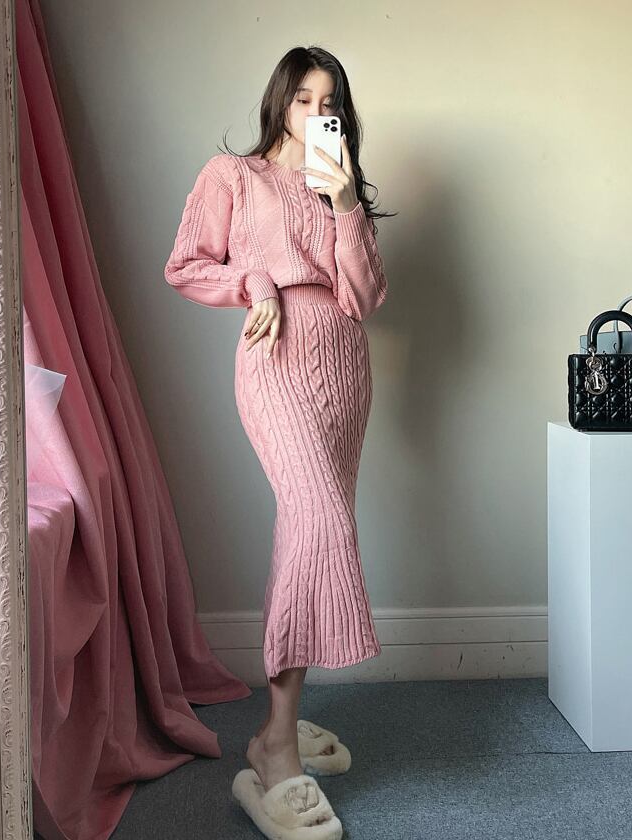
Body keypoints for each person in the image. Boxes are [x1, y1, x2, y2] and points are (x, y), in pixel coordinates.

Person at [163, 45, 392, 837]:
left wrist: (346, 204)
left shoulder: (339, 186)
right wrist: (253, 281)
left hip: (345, 370)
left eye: (329, 103)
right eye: (302, 99)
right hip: (275, 362)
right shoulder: (234, 176)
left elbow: (364, 297)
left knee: (304, 536)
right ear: (279, 102)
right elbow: (185, 264)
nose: (315, 114)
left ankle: (276, 729)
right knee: (322, 525)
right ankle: (278, 745)